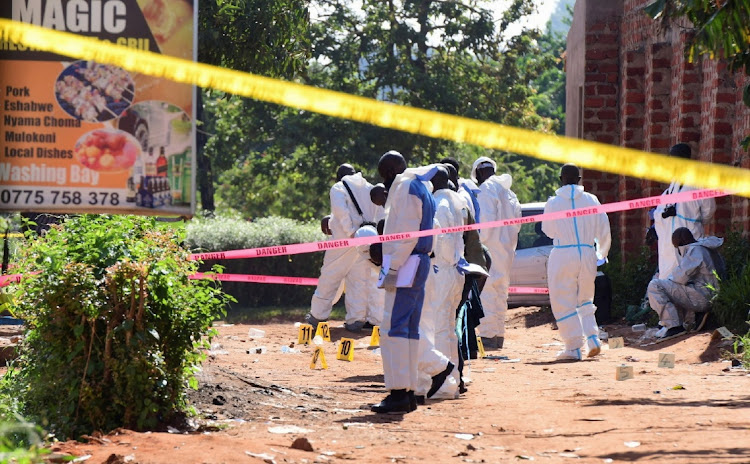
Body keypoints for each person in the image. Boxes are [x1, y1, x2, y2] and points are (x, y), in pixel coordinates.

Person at [371, 151, 436, 414]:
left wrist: (391, 267)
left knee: (392, 327)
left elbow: (406, 235)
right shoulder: (420, 186)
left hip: (406, 262)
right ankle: (407, 392)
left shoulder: (406, 187)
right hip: (416, 261)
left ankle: (398, 392)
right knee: (407, 328)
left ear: (387, 174)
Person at [542, 164, 611, 361]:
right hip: (587, 252)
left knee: (563, 299)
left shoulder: (553, 203)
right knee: (586, 298)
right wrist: (601, 253)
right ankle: (592, 338)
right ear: (579, 179)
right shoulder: (591, 199)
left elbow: (548, 230)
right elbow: (604, 229)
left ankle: (573, 347)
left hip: (563, 252)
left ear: (560, 178)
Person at [304, 164, 384, 332]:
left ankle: (318, 316)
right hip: (365, 240)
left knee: (329, 276)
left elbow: (340, 213)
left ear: (338, 176)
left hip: (344, 241)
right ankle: (356, 319)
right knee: (359, 280)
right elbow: (378, 214)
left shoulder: (338, 187)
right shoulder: (369, 187)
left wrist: (351, 233)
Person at [416, 165, 465, 402]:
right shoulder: (456, 201)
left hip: (443, 270)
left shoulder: (440, 204)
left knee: (440, 330)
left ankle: (446, 383)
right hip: (454, 270)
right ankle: (453, 378)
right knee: (447, 329)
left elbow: (438, 242)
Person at [472, 156, 522, 350]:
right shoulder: (509, 192)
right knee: (500, 292)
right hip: (506, 251)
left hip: (490, 250)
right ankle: (497, 335)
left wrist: (476, 243)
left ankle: (487, 336)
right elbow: (516, 223)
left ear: (478, 172)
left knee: (487, 293)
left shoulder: (485, 190)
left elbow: (485, 225)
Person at [647, 228, 724, 340]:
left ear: (681, 243)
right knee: (676, 288)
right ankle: (692, 318)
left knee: (655, 285)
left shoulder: (695, 251)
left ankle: (674, 326)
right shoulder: (705, 247)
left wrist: (668, 281)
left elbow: (679, 277)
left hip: (704, 297)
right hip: (712, 295)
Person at [653, 143, 716, 280]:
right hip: (669, 245)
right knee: (668, 280)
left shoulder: (699, 182)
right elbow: (659, 210)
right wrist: (663, 216)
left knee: (690, 277)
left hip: (690, 237)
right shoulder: (672, 187)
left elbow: (709, 210)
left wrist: (692, 221)